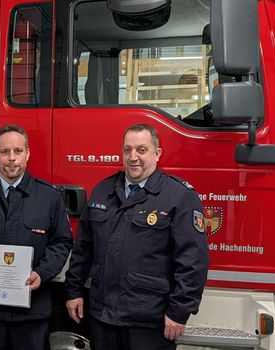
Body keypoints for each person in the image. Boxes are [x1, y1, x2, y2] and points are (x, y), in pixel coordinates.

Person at [64, 124, 209, 350]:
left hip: (149, 322)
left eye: (141, 150)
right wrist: (73, 291)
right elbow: (83, 248)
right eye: (127, 150)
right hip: (103, 318)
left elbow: (192, 261)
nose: (133, 157)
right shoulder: (104, 190)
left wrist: (179, 313)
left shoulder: (178, 196)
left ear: (157, 153)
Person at [0, 124, 73, 350]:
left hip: (32, 314)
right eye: (4, 152)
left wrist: (42, 273)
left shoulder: (49, 197)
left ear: (28, 153)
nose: (11, 158)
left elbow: (62, 242)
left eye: (18, 151)